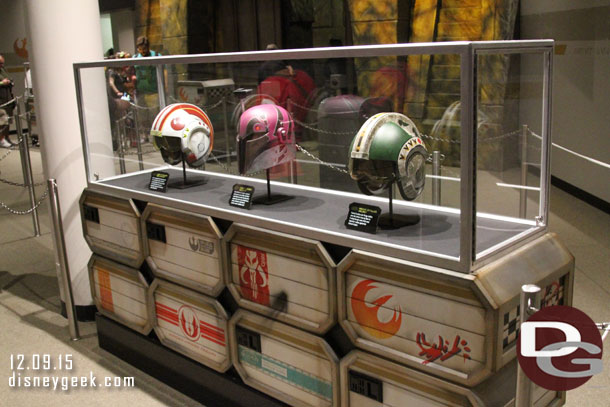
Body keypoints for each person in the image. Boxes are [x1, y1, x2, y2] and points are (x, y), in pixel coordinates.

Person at [134, 36, 162, 143]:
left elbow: (163, 71)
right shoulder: (135, 57)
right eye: (140, 49)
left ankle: (157, 136)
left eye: (144, 49)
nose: (142, 51)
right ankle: (144, 135)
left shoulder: (156, 56)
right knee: (142, 116)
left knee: (155, 115)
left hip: (154, 91)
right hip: (141, 92)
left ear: (148, 47)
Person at [0, 54, 15, 148]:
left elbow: (9, 77)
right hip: (1, 101)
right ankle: (1, 139)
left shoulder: (3, 70)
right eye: (0, 63)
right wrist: (2, 83)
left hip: (8, 98)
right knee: (2, 121)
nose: (2, 65)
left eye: (2, 63)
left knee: (8, 121)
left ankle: (6, 137)